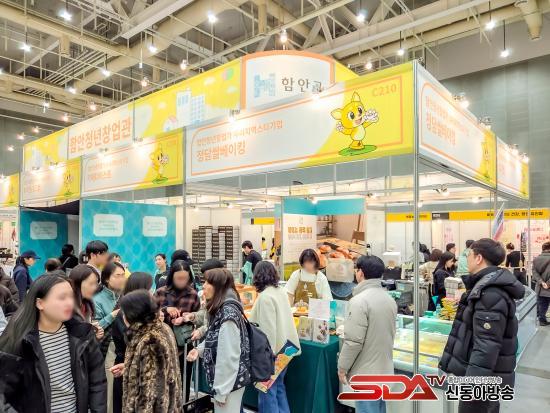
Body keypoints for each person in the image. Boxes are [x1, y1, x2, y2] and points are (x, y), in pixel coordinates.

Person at [439, 238, 525, 413]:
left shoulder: (490, 293)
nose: (466, 259)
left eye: (469, 255)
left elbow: (486, 345)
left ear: (478, 258)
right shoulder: (486, 286)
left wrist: (473, 386)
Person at [0, 274, 107, 412]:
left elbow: (97, 382)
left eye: (71, 297)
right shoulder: (18, 341)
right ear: (40, 303)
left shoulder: (82, 334)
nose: (69, 303)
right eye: (62, 298)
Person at [338, 255, 397, 413]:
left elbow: (353, 342)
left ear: (361, 273)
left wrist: (342, 368)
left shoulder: (359, 301)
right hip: (384, 371)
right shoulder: (389, 299)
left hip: (366, 375)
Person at [187, 268, 251, 412]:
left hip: (229, 385)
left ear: (218, 286)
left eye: (208, 282)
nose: (203, 286)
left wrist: (222, 392)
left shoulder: (228, 314)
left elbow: (228, 357)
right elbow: (216, 337)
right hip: (229, 383)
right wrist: (199, 350)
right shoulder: (223, 308)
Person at [119, 290, 182, 413]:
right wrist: (129, 367)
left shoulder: (150, 341)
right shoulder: (162, 328)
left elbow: (149, 395)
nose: (123, 316)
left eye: (124, 312)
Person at [249, 261, 300, 412]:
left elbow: (267, 331)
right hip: (287, 348)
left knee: (267, 391)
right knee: (278, 388)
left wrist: (266, 356)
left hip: (272, 353)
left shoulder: (265, 297)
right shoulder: (280, 291)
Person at [154, 259, 200, 401]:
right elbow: (149, 314)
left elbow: (199, 317)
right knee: (163, 384)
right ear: (172, 276)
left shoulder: (193, 294)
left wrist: (188, 318)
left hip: (184, 346)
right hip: (162, 347)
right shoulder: (160, 292)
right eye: (178, 278)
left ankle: (183, 405)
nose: (181, 281)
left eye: (185, 278)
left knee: (183, 382)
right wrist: (165, 309)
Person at [110, 272, 154, 413]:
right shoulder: (124, 314)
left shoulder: (141, 313)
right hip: (127, 369)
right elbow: (134, 344)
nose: (151, 293)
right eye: (148, 289)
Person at [69, 264, 104, 341]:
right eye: (91, 284)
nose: (95, 288)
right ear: (77, 284)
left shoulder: (87, 305)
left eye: (96, 283)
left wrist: (93, 334)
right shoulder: (67, 309)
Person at [532, 241, 550, 326]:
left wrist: (542, 282)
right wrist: (548, 284)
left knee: (542, 305)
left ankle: (542, 321)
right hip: (548, 287)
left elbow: (534, 273)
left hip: (540, 288)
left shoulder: (536, 259)